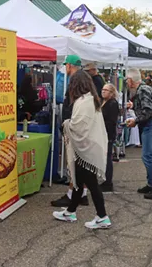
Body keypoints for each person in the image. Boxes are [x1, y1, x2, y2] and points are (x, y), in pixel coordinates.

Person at [53, 71, 111, 229]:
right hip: (88, 147)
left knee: (91, 184)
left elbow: (78, 125)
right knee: (79, 181)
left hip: (86, 149)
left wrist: (66, 124)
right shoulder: (91, 99)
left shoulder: (85, 101)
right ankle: (70, 212)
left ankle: (102, 216)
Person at [51, 55, 89, 207]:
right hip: (83, 127)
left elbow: (73, 107)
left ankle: (72, 195)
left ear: (69, 66)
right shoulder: (86, 80)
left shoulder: (75, 81)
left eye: (66, 65)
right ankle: (82, 193)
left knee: (74, 162)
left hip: (75, 128)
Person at [125, 69, 152, 199]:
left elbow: (148, 111)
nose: (126, 82)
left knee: (147, 156)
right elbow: (146, 107)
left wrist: (135, 121)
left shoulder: (142, 90)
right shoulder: (143, 89)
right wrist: (134, 106)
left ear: (131, 81)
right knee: (147, 156)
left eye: (127, 80)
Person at [100, 83, 119, 192]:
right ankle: (106, 180)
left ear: (111, 93)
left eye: (106, 90)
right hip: (103, 133)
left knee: (107, 158)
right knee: (104, 158)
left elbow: (111, 121)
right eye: (103, 89)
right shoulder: (104, 102)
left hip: (108, 134)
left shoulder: (112, 104)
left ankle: (108, 182)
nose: (103, 91)